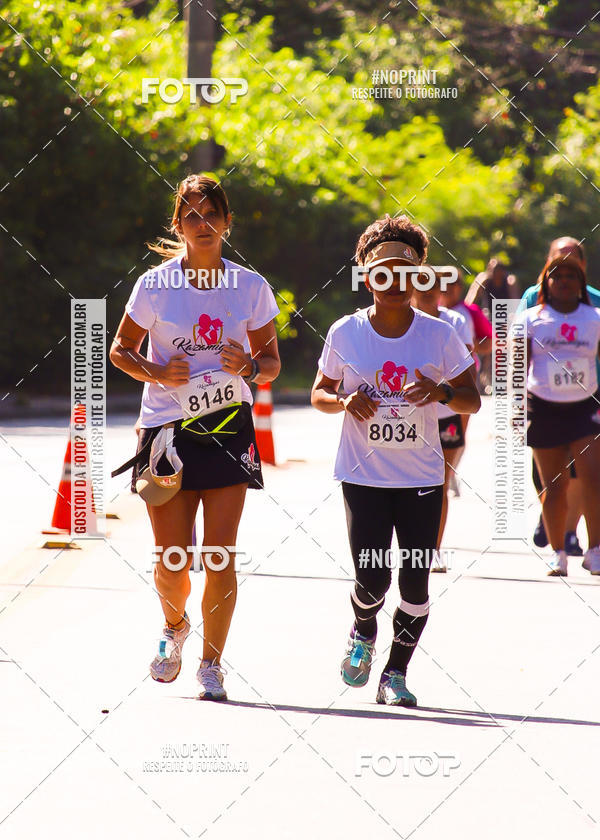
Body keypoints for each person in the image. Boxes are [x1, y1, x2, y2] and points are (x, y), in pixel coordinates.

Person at [110, 174, 280, 700]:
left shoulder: (250, 287)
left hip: (229, 427)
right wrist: (157, 372)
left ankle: (211, 663)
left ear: (227, 223)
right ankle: (176, 624)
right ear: (178, 226)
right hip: (166, 429)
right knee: (170, 559)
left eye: (212, 216)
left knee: (220, 555)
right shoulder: (154, 285)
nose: (203, 225)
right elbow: (120, 350)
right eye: (192, 217)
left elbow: (272, 365)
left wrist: (248, 365)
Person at [311, 214, 480, 706]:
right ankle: (363, 630)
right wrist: (344, 401)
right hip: (362, 476)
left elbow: (471, 398)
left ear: (418, 276)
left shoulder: (440, 335)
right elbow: (320, 392)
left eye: (404, 272)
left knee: (414, 582)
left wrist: (441, 391)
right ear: (367, 276)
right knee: (372, 576)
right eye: (382, 271)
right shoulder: (346, 332)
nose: (393, 281)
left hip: (422, 478)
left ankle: (396, 674)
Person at [514, 249, 600, 576]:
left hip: (585, 408)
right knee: (555, 484)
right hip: (544, 406)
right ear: (545, 283)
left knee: (593, 478)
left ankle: (595, 550)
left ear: (581, 283)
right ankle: (558, 552)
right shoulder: (530, 319)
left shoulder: (595, 319)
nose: (563, 281)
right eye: (557, 275)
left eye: (571, 276)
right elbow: (517, 368)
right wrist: (518, 409)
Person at [412, 271, 473, 572]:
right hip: (408, 419)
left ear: (441, 289)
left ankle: (432, 551)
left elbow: (465, 371)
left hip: (446, 416)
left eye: (431, 286)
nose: (425, 292)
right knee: (408, 484)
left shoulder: (456, 322)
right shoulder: (399, 323)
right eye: (419, 285)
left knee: (439, 484)